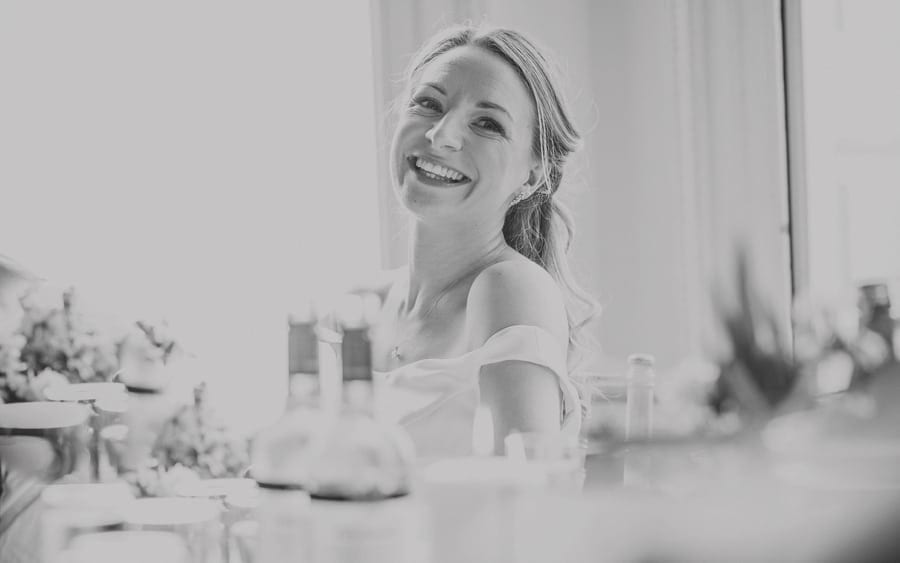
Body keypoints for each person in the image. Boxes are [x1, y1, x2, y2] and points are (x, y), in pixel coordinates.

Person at [367, 24, 598, 459]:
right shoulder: (362, 306)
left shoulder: (509, 289)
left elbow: (519, 507)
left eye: (487, 124)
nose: (441, 136)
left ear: (534, 174)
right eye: (428, 104)